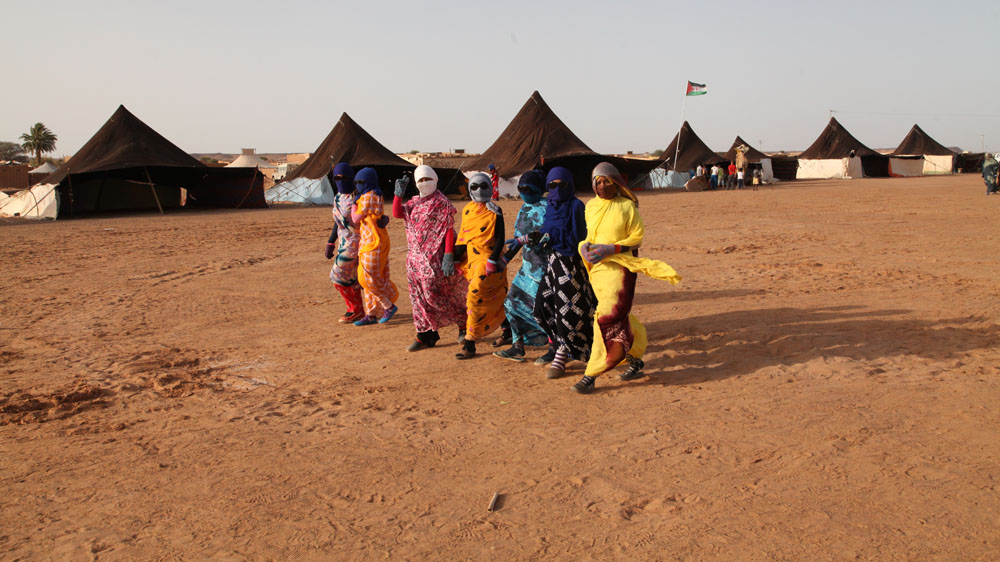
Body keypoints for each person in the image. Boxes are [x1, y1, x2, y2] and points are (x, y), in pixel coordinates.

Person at [574, 163, 682, 394]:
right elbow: (589, 236)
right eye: (598, 181)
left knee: (606, 316)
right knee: (620, 316)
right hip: (598, 270)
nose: (602, 185)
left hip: (621, 270)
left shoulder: (626, 206)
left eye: (606, 181)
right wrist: (584, 247)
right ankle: (634, 358)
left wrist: (611, 249)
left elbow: (636, 238)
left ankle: (591, 373)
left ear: (616, 183)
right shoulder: (591, 206)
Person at [392, 166, 468, 351]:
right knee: (417, 299)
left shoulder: (442, 203)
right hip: (414, 260)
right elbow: (396, 214)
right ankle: (425, 334)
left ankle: (463, 322)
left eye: (428, 179)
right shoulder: (413, 203)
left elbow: (448, 229)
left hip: (436, 258)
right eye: (420, 180)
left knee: (435, 295)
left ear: (435, 179)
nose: (424, 183)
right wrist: (397, 195)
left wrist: (449, 254)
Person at [530, 167, 596, 379]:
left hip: (571, 264)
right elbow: (548, 231)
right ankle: (562, 345)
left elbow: (578, 237)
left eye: (562, 185)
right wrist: (542, 238)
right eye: (552, 185)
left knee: (567, 313)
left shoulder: (576, 206)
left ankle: (562, 353)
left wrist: (554, 238)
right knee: (542, 307)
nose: (557, 189)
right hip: (552, 264)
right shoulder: (550, 206)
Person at [447, 172, 508, 359]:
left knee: (474, 299)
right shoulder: (467, 210)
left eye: (483, 186)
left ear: (490, 187)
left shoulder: (495, 211)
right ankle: (508, 329)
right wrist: (453, 257)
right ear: (469, 189)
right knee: (493, 299)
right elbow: (464, 237)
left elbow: (500, 239)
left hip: (489, 262)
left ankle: (470, 342)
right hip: (471, 261)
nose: (479, 190)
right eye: (474, 187)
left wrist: (492, 260)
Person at [493, 170, 551, 362]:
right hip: (527, 268)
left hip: (544, 268)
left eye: (528, 188)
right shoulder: (524, 209)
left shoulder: (550, 208)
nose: (524, 191)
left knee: (543, 310)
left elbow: (551, 237)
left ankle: (556, 347)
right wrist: (505, 260)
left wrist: (536, 239)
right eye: (521, 188)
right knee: (511, 303)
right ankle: (518, 346)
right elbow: (518, 240)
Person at [350, 167, 399, 326]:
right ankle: (371, 313)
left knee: (367, 278)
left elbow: (356, 218)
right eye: (356, 182)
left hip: (374, 243)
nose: (358, 185)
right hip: (370, 242)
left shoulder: (368, 196)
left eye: (361, 182)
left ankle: (388, 304)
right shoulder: (371, 195)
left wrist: (352, 205)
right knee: (371, 277)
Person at [325, 162, 364, 323]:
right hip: (343, 241)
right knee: (352, 278)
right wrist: (330, 242)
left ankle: (356, 308)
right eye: (337, 178)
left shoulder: (359, 197)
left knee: (338, 275)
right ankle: (358, 309)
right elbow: (337, 221)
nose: (341, 180)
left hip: (357, 241)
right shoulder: (338, 197)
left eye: (345, 177)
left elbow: (369, 217)